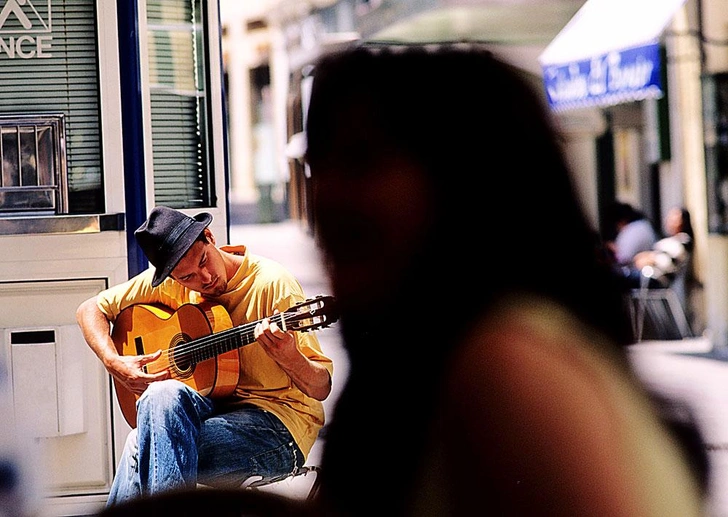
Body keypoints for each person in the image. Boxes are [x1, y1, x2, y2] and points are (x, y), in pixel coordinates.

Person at [302, 43, 707, 515]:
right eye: (320, 164)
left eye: (361, 161)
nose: (328, 193)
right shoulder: (450, 359)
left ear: (468, 182)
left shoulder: (508, 367)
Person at [76, 206, 333, 506]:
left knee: (141, 442)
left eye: (204, 260)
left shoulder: (273, 285)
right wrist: (115, 362)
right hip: (215, 413)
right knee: (161, 396)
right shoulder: (174, 283)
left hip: (278, 430)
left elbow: (321, 387)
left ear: (209, 237)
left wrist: (290, 357)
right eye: (188, 277)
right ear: (173, 277)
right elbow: (89, 309)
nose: (206, 277)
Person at [605, 201, 658, 267]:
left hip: (635, 268)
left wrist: (614, 249)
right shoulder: (644, 224)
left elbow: (624, 258)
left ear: (621, 221)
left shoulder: (629, 231)